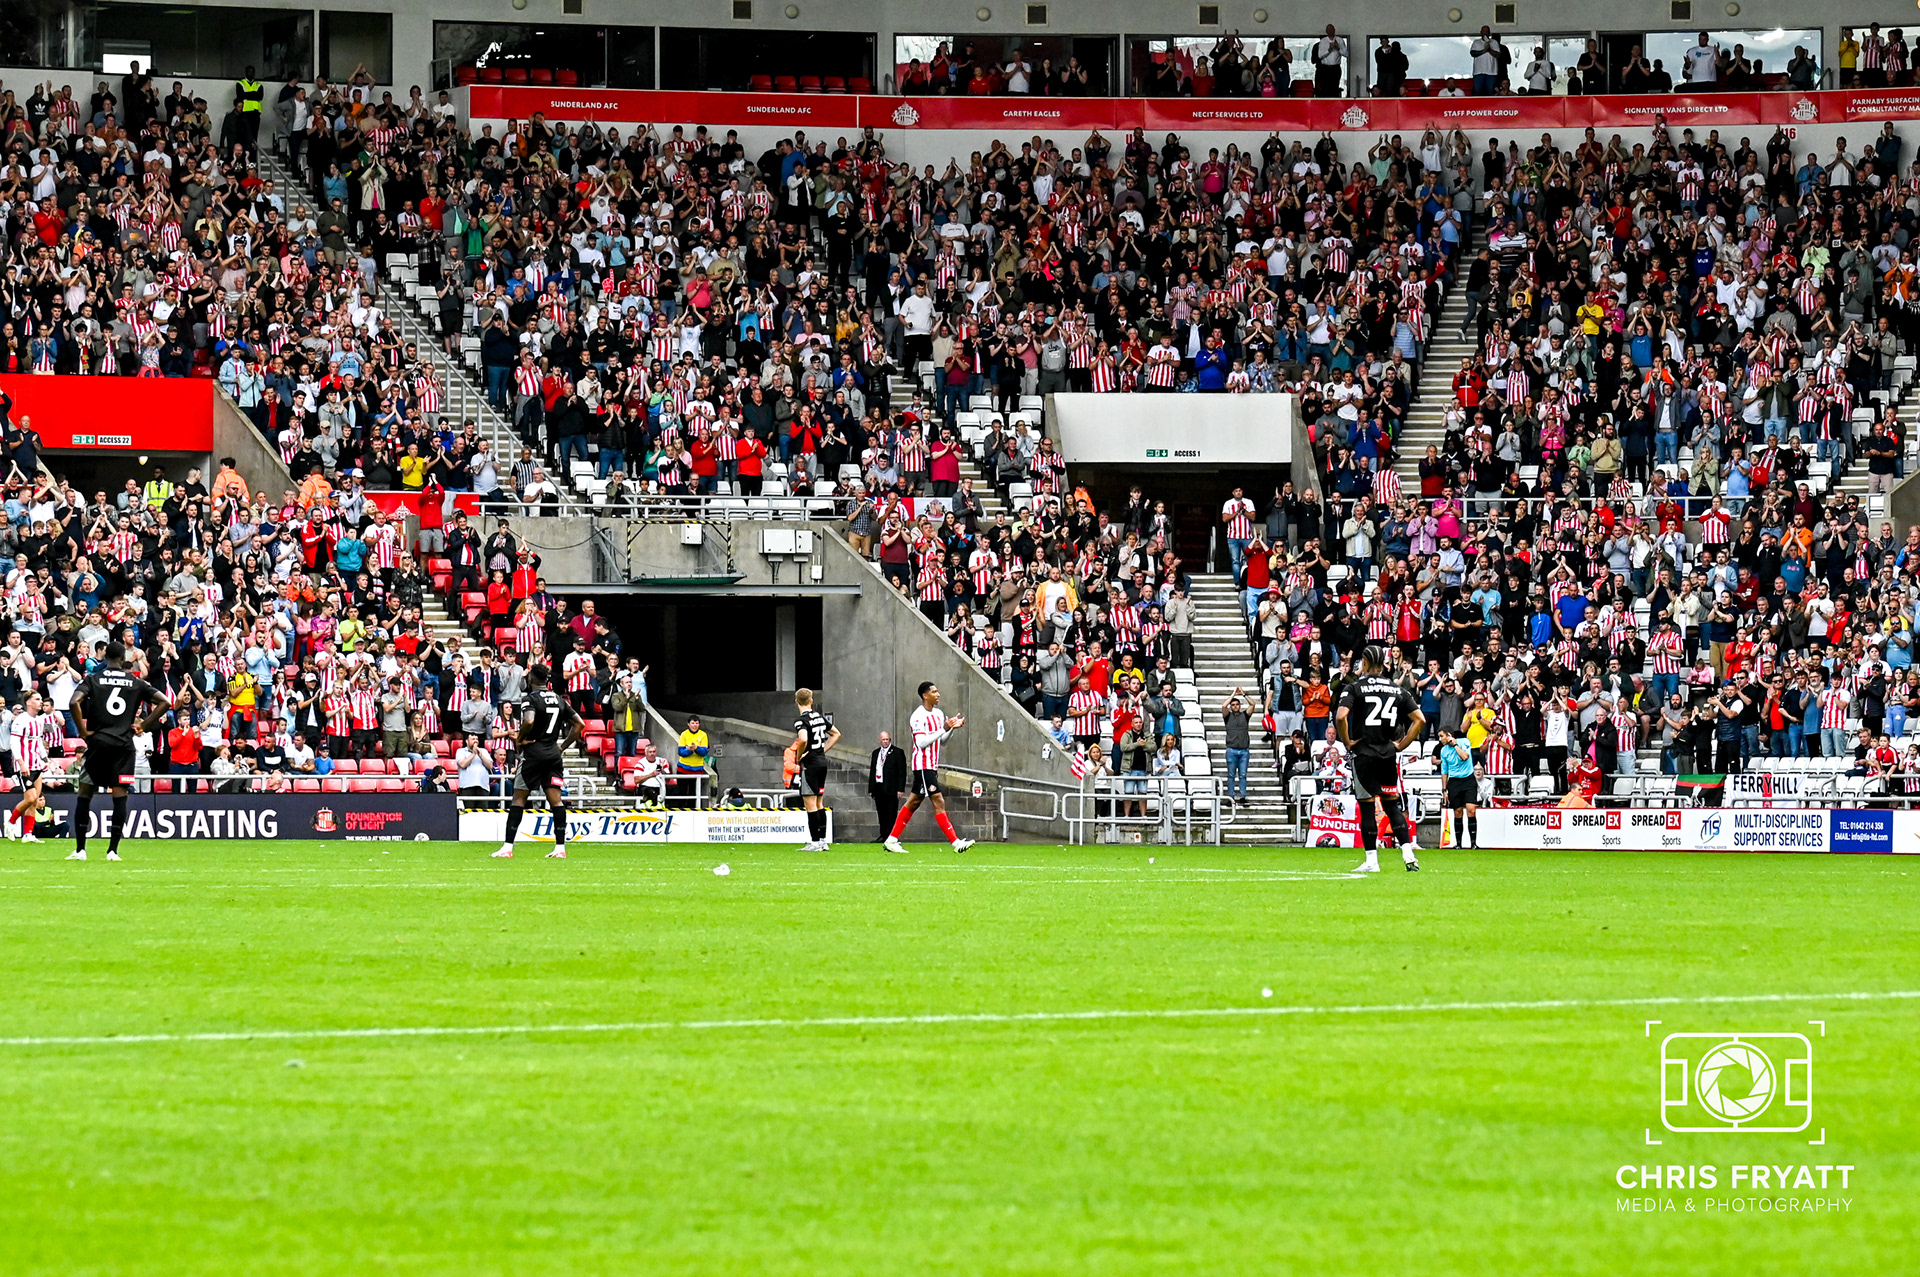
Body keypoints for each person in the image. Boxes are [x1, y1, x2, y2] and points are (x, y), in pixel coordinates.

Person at [67, 641, 165, 861]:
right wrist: (144, 725)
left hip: (98, 744)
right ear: (123, 658)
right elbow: (165, 702)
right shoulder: (135, 682)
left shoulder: (93, 679)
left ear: (104, 657)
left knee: (85, 794)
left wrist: (82, 731)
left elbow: (74, 702)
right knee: (120, 797)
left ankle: (81, 850)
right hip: (123, 747)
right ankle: (113, 851)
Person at [1334, 645, 1424, 873]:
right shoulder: (1397, 689)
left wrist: (1347, 741)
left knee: (1367, 807)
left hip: (1364, 753)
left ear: (1364, 663)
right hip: (1388, 753)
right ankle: (1408, 854)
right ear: (1383, 663)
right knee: (1392, 805)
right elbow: (1420, 720)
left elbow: (1341, 717)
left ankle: (1372, 861)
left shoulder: (1355, 687)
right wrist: (1401, 744)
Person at [492, 665, 582, 859]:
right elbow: (579, 724)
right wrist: (562, 747)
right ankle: (560, 848)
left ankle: (507, 847)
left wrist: (520, 739)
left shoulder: (530, 699)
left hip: (533, 753)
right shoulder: (559, 699)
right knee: (556, 801)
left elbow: (529, 721)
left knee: (518, 799)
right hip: (553, 754)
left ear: (531, 679)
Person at [883, 681, 975, 854]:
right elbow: (921, 742)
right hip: (922, 765)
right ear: (925, 695)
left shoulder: (939, 714)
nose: (938, 694)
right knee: (938, 800)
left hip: (932, 765)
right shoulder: (917, 716)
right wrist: (944, 728)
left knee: (913, 802)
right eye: (934, 692)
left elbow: (942, 741)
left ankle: (891, 839)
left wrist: (951, 729)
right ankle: (955, 842)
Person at [791, 687, 842, 851]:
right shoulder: (819, 717)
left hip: (810, 765)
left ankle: (814, 842)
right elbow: (836, 734)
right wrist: (822, 750)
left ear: (797, 702)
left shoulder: (801, 720)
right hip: (821, 763)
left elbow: (803, 739)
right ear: (811, 700)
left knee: (810, 805)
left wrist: (799, 756)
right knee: (819, 803)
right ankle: (822, 841)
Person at [1436, 728, 1478, 849]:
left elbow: (1465, 757)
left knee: (1471, 810)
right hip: (1454, 781)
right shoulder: (1443, 751)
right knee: (1457, 812)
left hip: (1468, 779)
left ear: (1449, 735)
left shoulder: (1464, 742)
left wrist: (1455, 745)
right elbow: (1444, 771)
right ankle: (1459, 844)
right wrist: (1444, 790)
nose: (1440, 739)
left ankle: (1473, 843)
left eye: (1441, 736)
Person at [868, 730, 907, 844]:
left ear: (890, 740)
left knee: (891, 812)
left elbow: (902, 772)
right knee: (881, 812)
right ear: (879, 740)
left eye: (887, 739)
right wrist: (871, 788)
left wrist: (900, 789)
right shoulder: (876, 753)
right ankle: (883, 834)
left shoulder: (897, 752)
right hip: (879, 786)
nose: (885, 741)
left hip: (891, 788)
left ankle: (892, 835)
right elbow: (872, 771)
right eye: (883, 740)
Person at [1221, 691, 1252, 803]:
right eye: (1233, 705)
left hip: (1244, 750)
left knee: (1243, 775)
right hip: (1232, 749)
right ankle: (1231, 797)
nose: (1235, 706)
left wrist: (1244, 694)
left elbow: (1253, 704)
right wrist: (1233, 694)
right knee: (1231, 775)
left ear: (1240, 706)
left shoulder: (1245, 715)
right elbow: (1224, 706)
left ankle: (1243, 796)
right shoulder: (1227, 716)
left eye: (1237, 704)